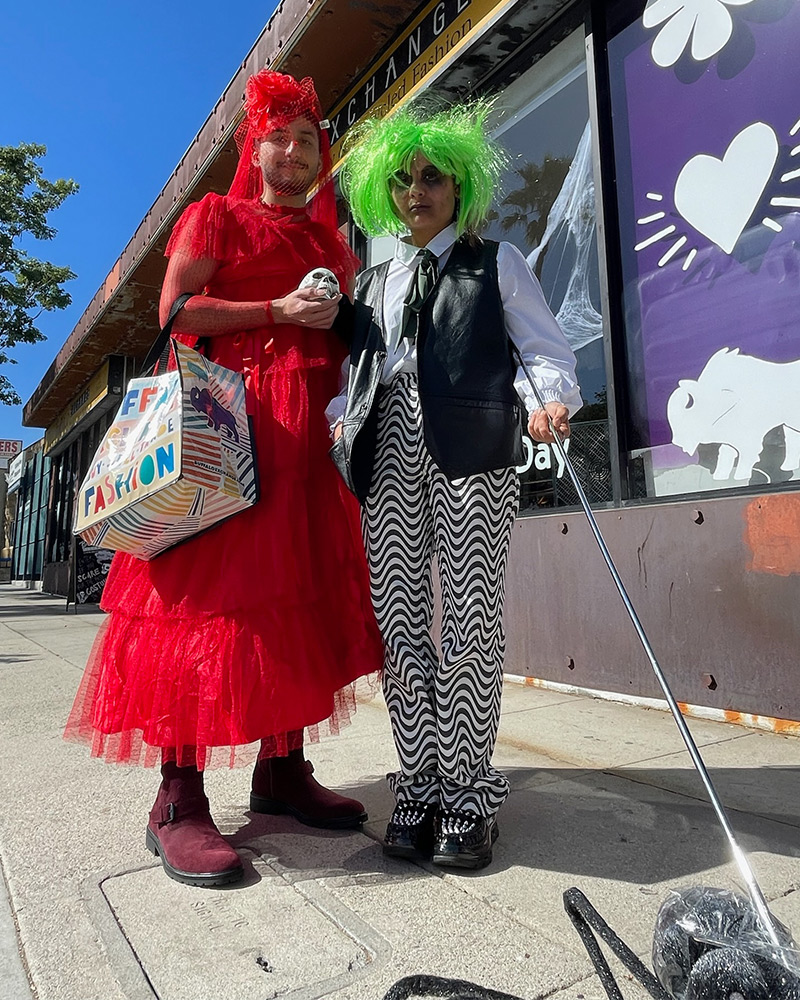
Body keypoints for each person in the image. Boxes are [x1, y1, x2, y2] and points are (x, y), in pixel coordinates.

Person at [65, 70, 383, 887]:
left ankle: (280, 773)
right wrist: (276, 312)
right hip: (222, 438)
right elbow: (175, 313)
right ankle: (178, 796)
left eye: (307, 139)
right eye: (279, 135)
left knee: (287, 605)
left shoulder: (326, 242)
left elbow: (344, 337)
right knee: (201, 607)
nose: (294, 150)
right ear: (255, 146)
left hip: (305, 450)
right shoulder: (217, 215)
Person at [329, 97, 582, 870]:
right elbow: (356, 377)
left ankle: (469, 794)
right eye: (403, 179)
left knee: (471, 621)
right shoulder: (370, 283)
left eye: (433, 176)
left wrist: (549, 403)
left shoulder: (496, 261)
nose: (417, 191)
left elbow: (546, 351)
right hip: (391, 445)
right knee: (401, 627)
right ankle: (418, 784)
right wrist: (341, 422)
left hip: (473, 443)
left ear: (460, 185)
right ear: (385, 191)